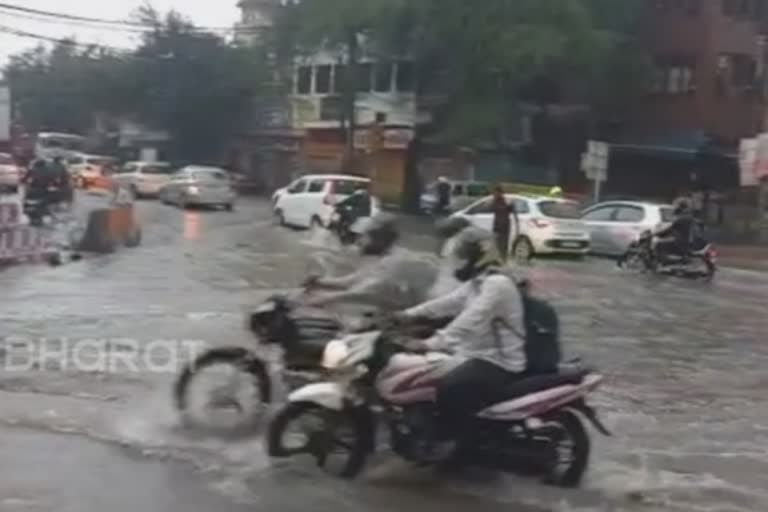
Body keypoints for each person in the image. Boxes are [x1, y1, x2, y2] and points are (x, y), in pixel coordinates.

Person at [396, 227, 530, 436]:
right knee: (421, 375)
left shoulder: (497, 284)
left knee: (448, 388)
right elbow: (447, 303)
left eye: (464, 257)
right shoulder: (478, 282)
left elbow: (470, 320)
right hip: (473, 354)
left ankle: (461, 444)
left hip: (499, 363)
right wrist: (406, 314)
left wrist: (431, 343)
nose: (459, 262)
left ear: (478, 256)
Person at [304, 213, 440, 312]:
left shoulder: (395, 262)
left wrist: (325, 298)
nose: (359, 242)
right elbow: (353, 280)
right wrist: (320, 282)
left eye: (365, 237)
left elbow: (366, 291)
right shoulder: (384, 259)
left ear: (379, 239)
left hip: (412, 316)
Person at [654, 197, 696, 263]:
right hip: (685, 241)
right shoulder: (686, 216)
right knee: (664, 242)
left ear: (680, 207)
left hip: (681, 242)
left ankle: (665, 262)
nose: (674, 207)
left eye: (675, 205)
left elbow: (669, 229)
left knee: (659, 244)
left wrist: (656, 233)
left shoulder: (682, 218)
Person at [491, 185, 513, 261]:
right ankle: (497, 260)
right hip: (497, 226)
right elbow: (492, 209)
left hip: (504, 227)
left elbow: (510, 209)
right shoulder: (494, 201)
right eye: (494, 193)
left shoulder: (506, 201)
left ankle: (504, 260)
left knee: (503, 246)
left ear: (500, 193)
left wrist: (510, 205)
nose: (494, 194)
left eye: (496, 193)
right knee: (496, 245)